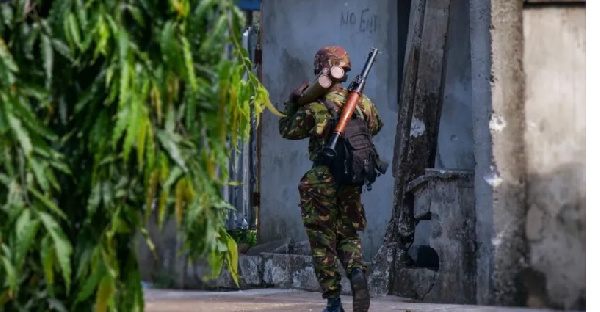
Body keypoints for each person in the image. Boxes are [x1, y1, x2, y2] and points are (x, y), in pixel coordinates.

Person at [278, 46, 384, 312]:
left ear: (322, 70)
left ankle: (334, 302)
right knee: (348, 234)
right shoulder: (362, 102)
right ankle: (357, 273)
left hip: (322, 179)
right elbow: (375, 126)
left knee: (322, 241)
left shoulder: (315, 107)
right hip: (351, 177)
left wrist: (293, 101)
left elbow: (286, 129)